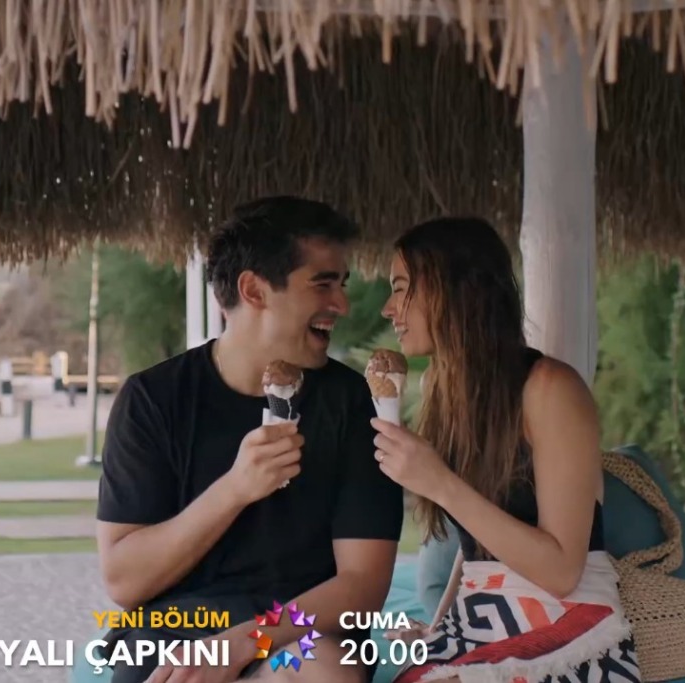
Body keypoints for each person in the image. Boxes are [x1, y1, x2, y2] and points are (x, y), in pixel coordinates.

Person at [95, 196, 405, 683]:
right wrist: (235, 488)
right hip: (176, 635)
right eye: (323, 284)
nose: (341, 305)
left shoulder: (349, 402)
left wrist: (250, 639)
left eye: (341, 285)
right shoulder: (154, 399)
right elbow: (125, 580)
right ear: (254, 290)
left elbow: (362, 585)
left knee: (327, 670)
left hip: (301, 633)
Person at [372, 217, 641, 683]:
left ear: (455, 289)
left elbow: (562, 572)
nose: (387, 308)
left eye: (400, 288)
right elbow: (478, 542)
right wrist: (439, 627)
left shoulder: (551, 389)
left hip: (570, 622)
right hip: (481, 616)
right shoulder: (444, 388)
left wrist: (440, 483)